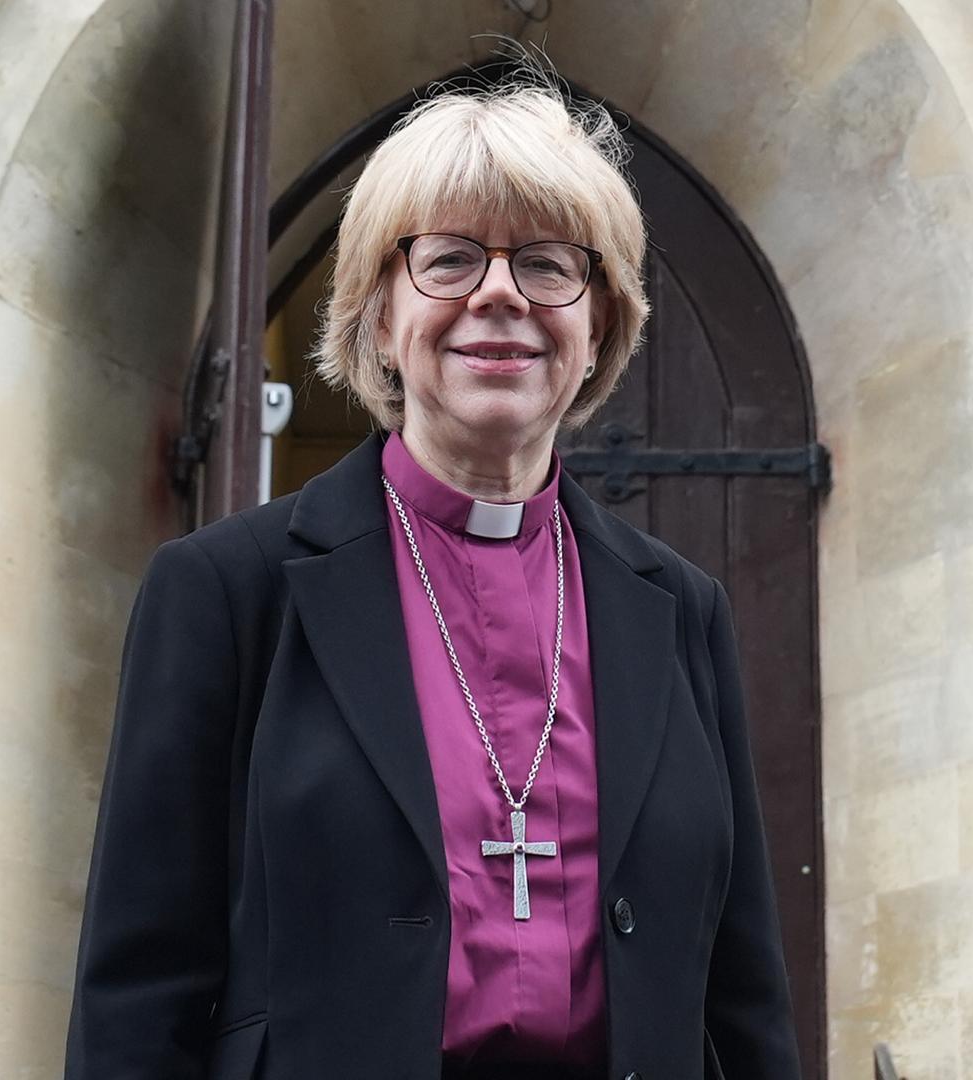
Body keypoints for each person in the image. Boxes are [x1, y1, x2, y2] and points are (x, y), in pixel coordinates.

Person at [65, 71, 803, 1080]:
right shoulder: (227, 592)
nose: (500, 294)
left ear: (598, 325)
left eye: (547, 264)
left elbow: (743, 994)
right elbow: (137, 993)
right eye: (449, 259)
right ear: (378, 316)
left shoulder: (680, 610)